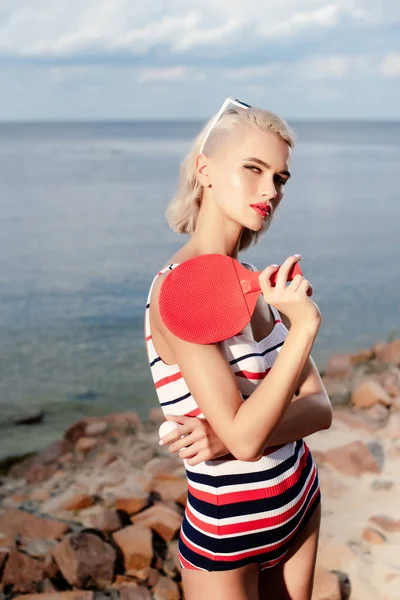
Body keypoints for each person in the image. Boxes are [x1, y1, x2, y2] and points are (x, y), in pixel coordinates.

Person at [144, 97, 333, 600]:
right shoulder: (176, 290)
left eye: (280, 178)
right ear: (205, 169)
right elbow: (249, 442)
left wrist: (224, 435)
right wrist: (304, 328)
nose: (269, 189)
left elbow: (321, 408)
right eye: (253, 169)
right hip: (229, 532)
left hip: (301, 501)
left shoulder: (255, 281)